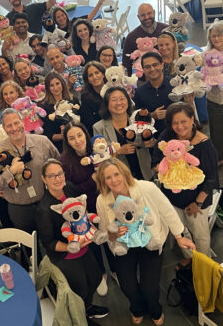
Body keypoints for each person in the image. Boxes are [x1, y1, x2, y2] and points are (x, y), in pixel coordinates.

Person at [96, 158, 195, 326]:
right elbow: (104, 230)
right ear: (103, 181)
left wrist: (179, 236)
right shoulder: (102, 200)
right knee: (127, 286)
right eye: (108, 177)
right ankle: (137, 308)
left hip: (150, 241)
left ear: (124, 172)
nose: (114, 180)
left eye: (116, 174)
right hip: (124, 245)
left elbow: (167, 210)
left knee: (150, 288)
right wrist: (113, 234)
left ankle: (155, 310)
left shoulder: (145, 187)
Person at [37, 159, 109, 325]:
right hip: (65, 254)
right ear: (44, 179)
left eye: (60, 174)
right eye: (52, 176)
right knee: (81, 288)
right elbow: (48, 243)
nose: (57, 179)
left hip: (83, 246)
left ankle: (88, 307)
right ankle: (81, 315)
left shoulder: (69, 188)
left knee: (95, 278)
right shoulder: (44, 209)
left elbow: (83, 210)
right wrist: (71, 247)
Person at [152, 102, 219, 263]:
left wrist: (197, 202)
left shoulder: (204, 144)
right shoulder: (166, 137)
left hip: (197, 200)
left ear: (192, 120)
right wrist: (172, 167)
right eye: (175, 123)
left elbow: (211, 178)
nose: (179, 127)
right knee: (180, 232)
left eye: (184, 122)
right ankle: (190, 259)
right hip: (172, 198)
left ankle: (204, 264)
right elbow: (154, 164)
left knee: (200, 235)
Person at [59, 122, 116, 295]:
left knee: (110, 236)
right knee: (94, 242)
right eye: (71, 138)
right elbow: (69, 191)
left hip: (106, 203)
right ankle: (101, 273)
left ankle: (115, 269)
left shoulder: (98, 149)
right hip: (85, 210)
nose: (77, 141)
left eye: (80, 135)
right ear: (67, 142)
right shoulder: (65, 162)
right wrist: (92, 180)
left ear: (86, 134)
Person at [0, 109, 59, 232]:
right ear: (4, 128)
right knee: (29, 247)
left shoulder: (43, 141)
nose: (14, 128)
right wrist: (10, 172)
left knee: (53, 239)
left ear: (23, 122)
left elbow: (59, 164)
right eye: (9, 125)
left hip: (46, 202)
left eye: (16, 123)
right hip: (19, 209)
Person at [94, 86, 155, 180]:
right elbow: (99, 155)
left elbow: (151, 139)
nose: (119, 103)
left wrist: (149, 142)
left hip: (144, 172)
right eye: (114, 100)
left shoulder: (138, 119)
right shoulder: (99, 127)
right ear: (107, 104)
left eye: (122, 99)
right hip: (119, 177)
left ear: (128, 101)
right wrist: (118, 151)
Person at [133, 52, 174, 137]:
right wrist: (151, 116)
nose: (152, 69)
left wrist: (171, 113)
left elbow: (186, 110)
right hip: (153, 139)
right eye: (147, 67)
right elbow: (136, 119)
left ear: (162, 65)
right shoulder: (140, 92)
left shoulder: (175, 85)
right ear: (143, 69)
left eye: (155, 65)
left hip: (178, 135)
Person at [122, 3, 168, 76]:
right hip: (143, 78)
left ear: (154, 13)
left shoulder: (166, 30)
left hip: (166, 73)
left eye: (149, 13)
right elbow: (126, 63)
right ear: (138, 17)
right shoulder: (131, 37)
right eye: (143, 15)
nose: (146, 17)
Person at [40, 72, 79, 152]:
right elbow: (47, 134)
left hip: (77, 140)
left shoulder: (73, 100)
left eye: (57, 83)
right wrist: (62, 136)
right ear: (48, 88)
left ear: (62, 84)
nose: (56, 88)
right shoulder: (45, 107)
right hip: (59, 147)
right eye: (52, 85)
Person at [205, 20, 223, 166]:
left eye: (219, 35)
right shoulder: (207, 54)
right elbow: (204, 74)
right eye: (213, 36)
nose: (216, 39)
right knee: (216, 132)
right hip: (215, 99)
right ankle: (219, 157)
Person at [79, 61, 107, 134]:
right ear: (87, 80)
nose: (94, 77)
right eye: (90, 75)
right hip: (97, 132)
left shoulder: (112, 90)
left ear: (103, 74)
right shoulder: (85, 97)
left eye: (97, 73)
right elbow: (87, 122)